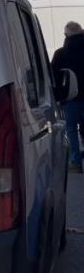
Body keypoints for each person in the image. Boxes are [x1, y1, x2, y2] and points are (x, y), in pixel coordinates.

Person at [53, 21, 84, 173]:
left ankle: (76, 161)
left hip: (71, 97)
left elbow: (53, 76)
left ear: (66, 35)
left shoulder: (61, 53)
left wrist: (57, 96)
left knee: (71, 129)